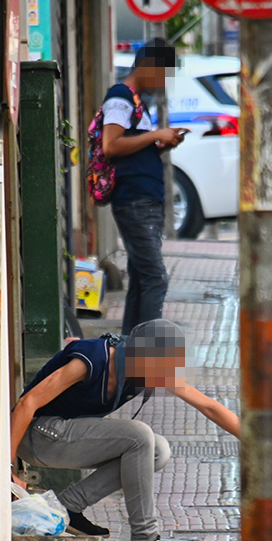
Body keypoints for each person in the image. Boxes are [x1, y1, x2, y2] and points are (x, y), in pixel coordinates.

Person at [10, 320, 239, 541]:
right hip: (38, 436)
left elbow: (208, 406)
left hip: (65, 435)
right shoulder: (91, 359)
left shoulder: (147, 368)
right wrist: (5, 469)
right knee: (139, 435)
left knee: (157, 450)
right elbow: (27, 403)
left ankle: (68, 507)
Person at [102, 38, 185, 334]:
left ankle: (128, 349)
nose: (162, 83)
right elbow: (111, 145)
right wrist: (154, 136)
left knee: (141, 279)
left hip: (144, 199)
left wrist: (159, 145)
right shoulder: (120, 98)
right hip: (134, 201)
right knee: (155, 278)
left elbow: (131, 152)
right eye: (162, 74)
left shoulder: (136, 102)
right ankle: (147, 351)